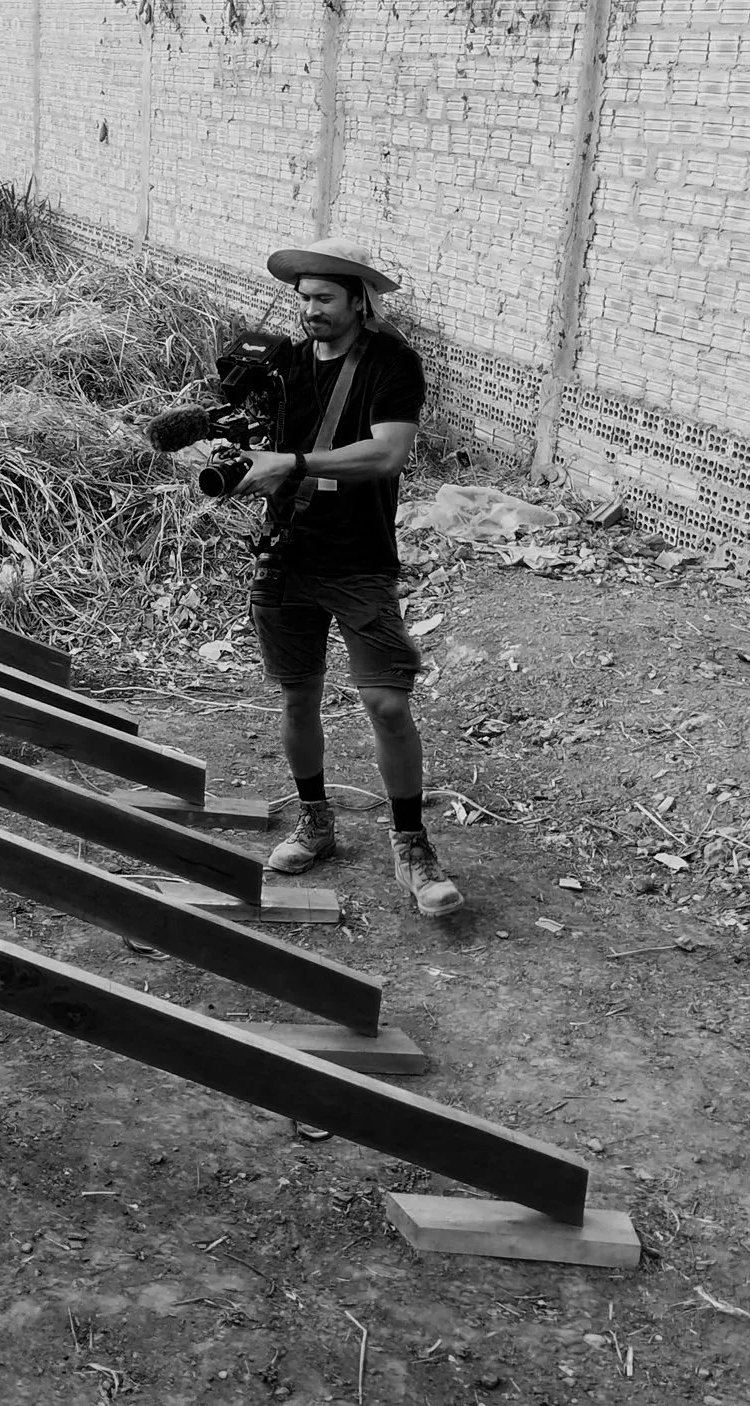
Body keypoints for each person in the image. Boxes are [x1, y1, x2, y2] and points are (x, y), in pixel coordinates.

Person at [223, 238, 464, 917]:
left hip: (358, 558)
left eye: (324, 298)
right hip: (286, 554)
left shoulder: (391, 363)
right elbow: (256, 447)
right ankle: (315, 822)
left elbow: (387, 454)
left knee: (386, 702)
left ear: (360, 301)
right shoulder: (283, 365)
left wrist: (293, 464)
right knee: (297, 699)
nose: (311, 311)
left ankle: (411, 844)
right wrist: (234, 455)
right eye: (303, 298)